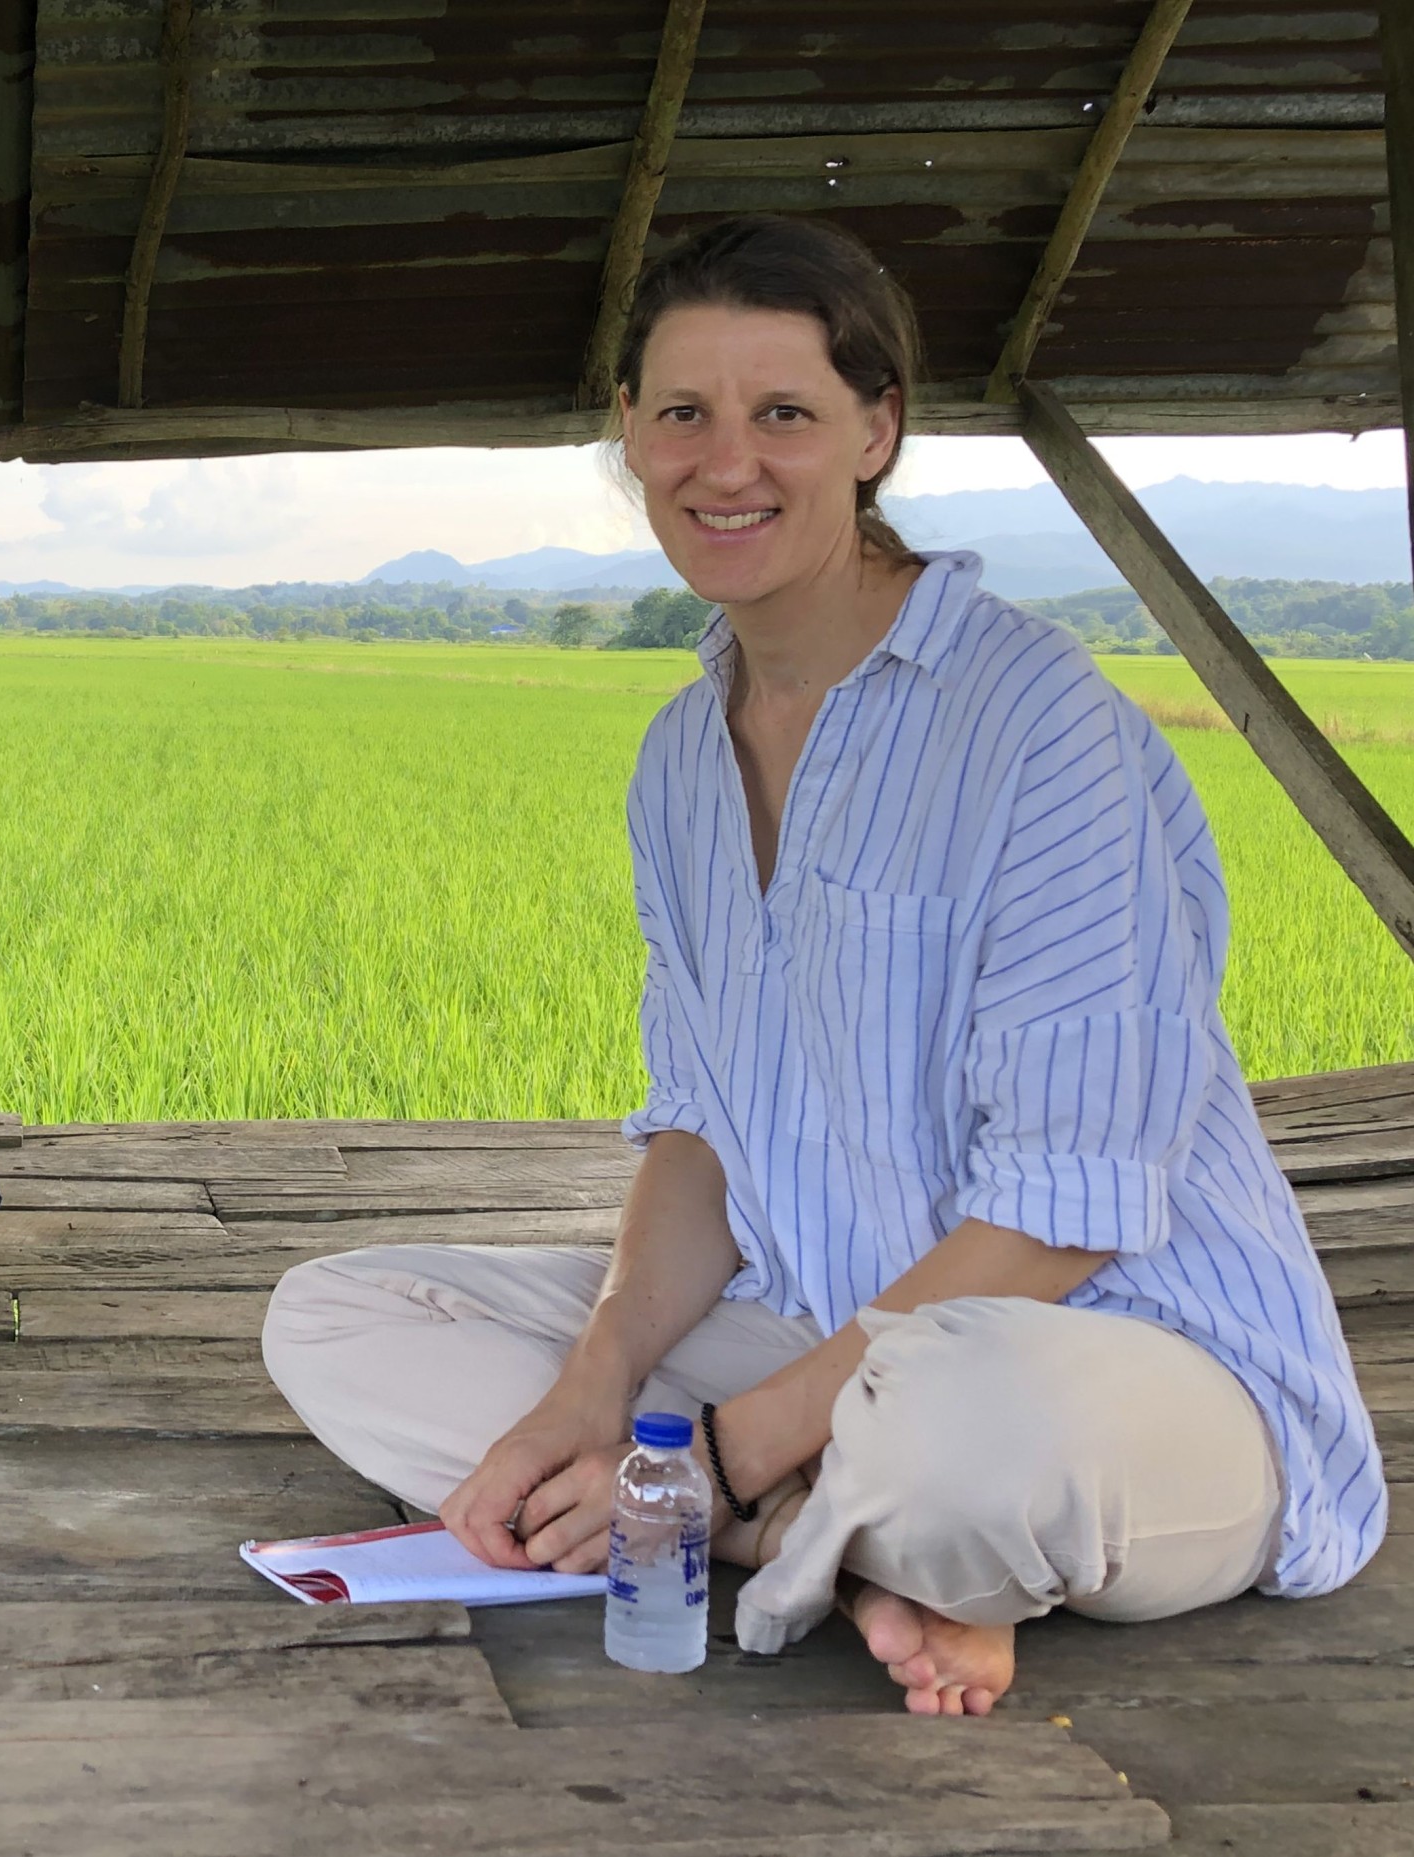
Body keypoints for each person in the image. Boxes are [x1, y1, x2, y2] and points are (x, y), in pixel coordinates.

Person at [261, 216, 1383, 1716]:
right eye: (685, 415)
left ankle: (814, 1518)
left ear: (878, 432)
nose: (729, 464)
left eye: (783, 412)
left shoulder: (1042, 729)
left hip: (1114, 1359)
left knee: (966, 1438)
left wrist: (715, 1450)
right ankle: (842, 1549)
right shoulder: (678, 757)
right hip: (823, 1327)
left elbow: (1066, 1215)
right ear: (630, 437)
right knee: (340, 1319)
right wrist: (590, 1389)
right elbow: (703, 1132)